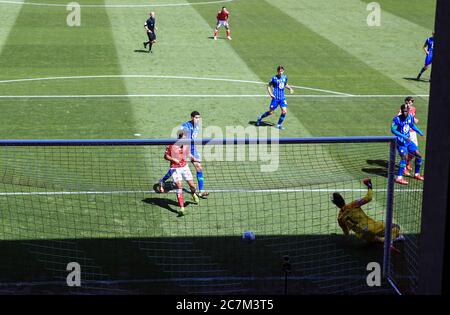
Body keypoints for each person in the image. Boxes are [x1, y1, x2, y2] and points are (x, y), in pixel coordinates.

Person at [332, 178, 404, 243]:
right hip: (372, 227)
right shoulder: (352, 205)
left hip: (363, 235)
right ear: (343, 199)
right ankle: (389, 240)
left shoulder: (340, 218)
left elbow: (346, 233)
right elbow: (369, 197)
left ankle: (380, 240)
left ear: (336, 204)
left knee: (375, 238)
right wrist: (369, 185)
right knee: (396, 227)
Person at [158, 111, 209, 198]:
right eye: (196, 118)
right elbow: (179, 134)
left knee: (199, 166)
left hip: (192, 148)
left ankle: (201, 191)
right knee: (177, 167)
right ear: (192, 118)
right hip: (183, 148)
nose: (198, 119)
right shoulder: (185, 126)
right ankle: (162, 181)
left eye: (199, 118)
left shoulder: (197, 125)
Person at [163, 130, 199, 216]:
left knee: (192, 186)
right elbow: (165, 156)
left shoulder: (186, 144)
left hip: (184, 167)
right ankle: (182, 208)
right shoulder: (171, 145)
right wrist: (173, 159)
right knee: (179, 187)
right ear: (180, 137)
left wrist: (194, 158)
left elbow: (188, 154)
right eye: (184, 137)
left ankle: (193, 194)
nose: (186, 138)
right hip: (175, 168)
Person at [391, 104, 425, 185]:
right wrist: (403, 136)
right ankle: (399, 178)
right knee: (404, 157)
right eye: (403, 111)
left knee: (418, 155)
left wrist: (420, 132)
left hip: (408, 141)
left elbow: (412, 125)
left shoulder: (410, 117)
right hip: (400, 142)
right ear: (401, 111)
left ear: (408, 111)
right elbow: (393, 130)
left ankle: (416, 174)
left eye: (406, 111)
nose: (405, 113)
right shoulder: (396, 119)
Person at [256, 65, 294, 130]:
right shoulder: (274, 78)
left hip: (282, 98)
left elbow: (285, 84)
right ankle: (260, 118)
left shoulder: (285, 77)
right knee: (271, 112)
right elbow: (268, 86)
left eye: (281, 71)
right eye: (279, 71)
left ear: (283, 71)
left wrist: (290, 88)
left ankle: (279, 125)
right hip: (275, 98)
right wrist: (271, 94)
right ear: (277, 71)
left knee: (284, 111)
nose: (280, 72)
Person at [397, 97, 419, 174]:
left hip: (413, 133)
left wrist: (414, 119)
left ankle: (407, 163)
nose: (410, 103)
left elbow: (412, 121)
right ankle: (404, 169)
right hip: (405, 134)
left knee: (415, 152)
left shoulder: (414, 109)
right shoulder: (402, 110)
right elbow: (400, 118)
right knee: (405, 153)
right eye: (409, 102)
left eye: (411, 102)